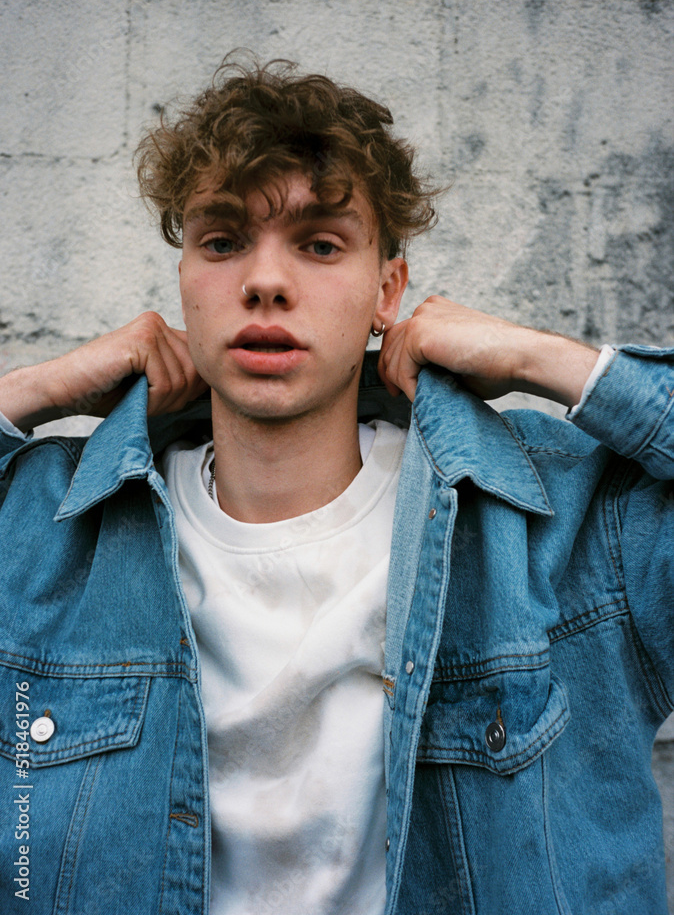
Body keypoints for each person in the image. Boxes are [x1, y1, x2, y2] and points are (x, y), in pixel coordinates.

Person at [0, 55, 671, 915]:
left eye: (319, 245)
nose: (266, 281)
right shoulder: (43, 527)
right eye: (222, 241)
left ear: (387, 289)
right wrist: (41, 387)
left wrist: (545, 361)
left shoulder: (571, 532)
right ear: (183, 283)